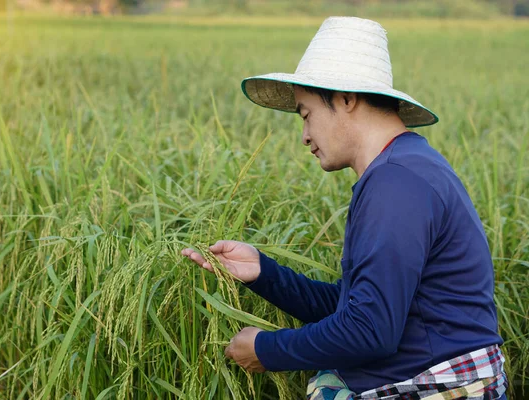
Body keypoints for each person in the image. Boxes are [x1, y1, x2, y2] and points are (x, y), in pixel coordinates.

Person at [181, 17, 507, 399]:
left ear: (347, 98)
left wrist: (266, 349)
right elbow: (355, 305)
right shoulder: (404, 167)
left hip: (440, 385)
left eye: (306, 115)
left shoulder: (396, 182)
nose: (304, 136)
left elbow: (370, 330)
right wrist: (262, 272)